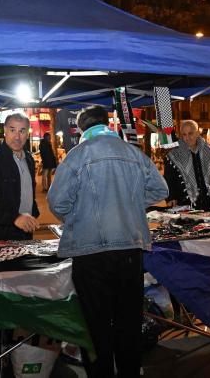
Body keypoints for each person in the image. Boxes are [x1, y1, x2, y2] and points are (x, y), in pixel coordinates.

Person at [47, 106, 168, 378]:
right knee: (128, 322)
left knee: (94, 325)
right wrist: (132, 202)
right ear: (107, 123)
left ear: (81, 129)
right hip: (130, 250)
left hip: (90, 254)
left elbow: (58, 202)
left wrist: (80, 212)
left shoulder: (77, 156)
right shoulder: (134, 153)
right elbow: (161, 190)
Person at [0, 113, 40, 241]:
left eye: (22, 131)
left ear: (27, 133)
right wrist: (15, 218)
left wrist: (33, 213)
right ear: (5, 131)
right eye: (12, 130)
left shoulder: (28, 158)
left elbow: (28, 190)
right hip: (0, 233)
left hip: (25, 229)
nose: (17, 136)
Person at [164, 120, 210, 212]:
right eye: (184, 134)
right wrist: (170, 197)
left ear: (197, 133)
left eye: (190, 133)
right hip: (185, 207)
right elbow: (169, 180)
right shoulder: (174, 155)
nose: (187, 138)